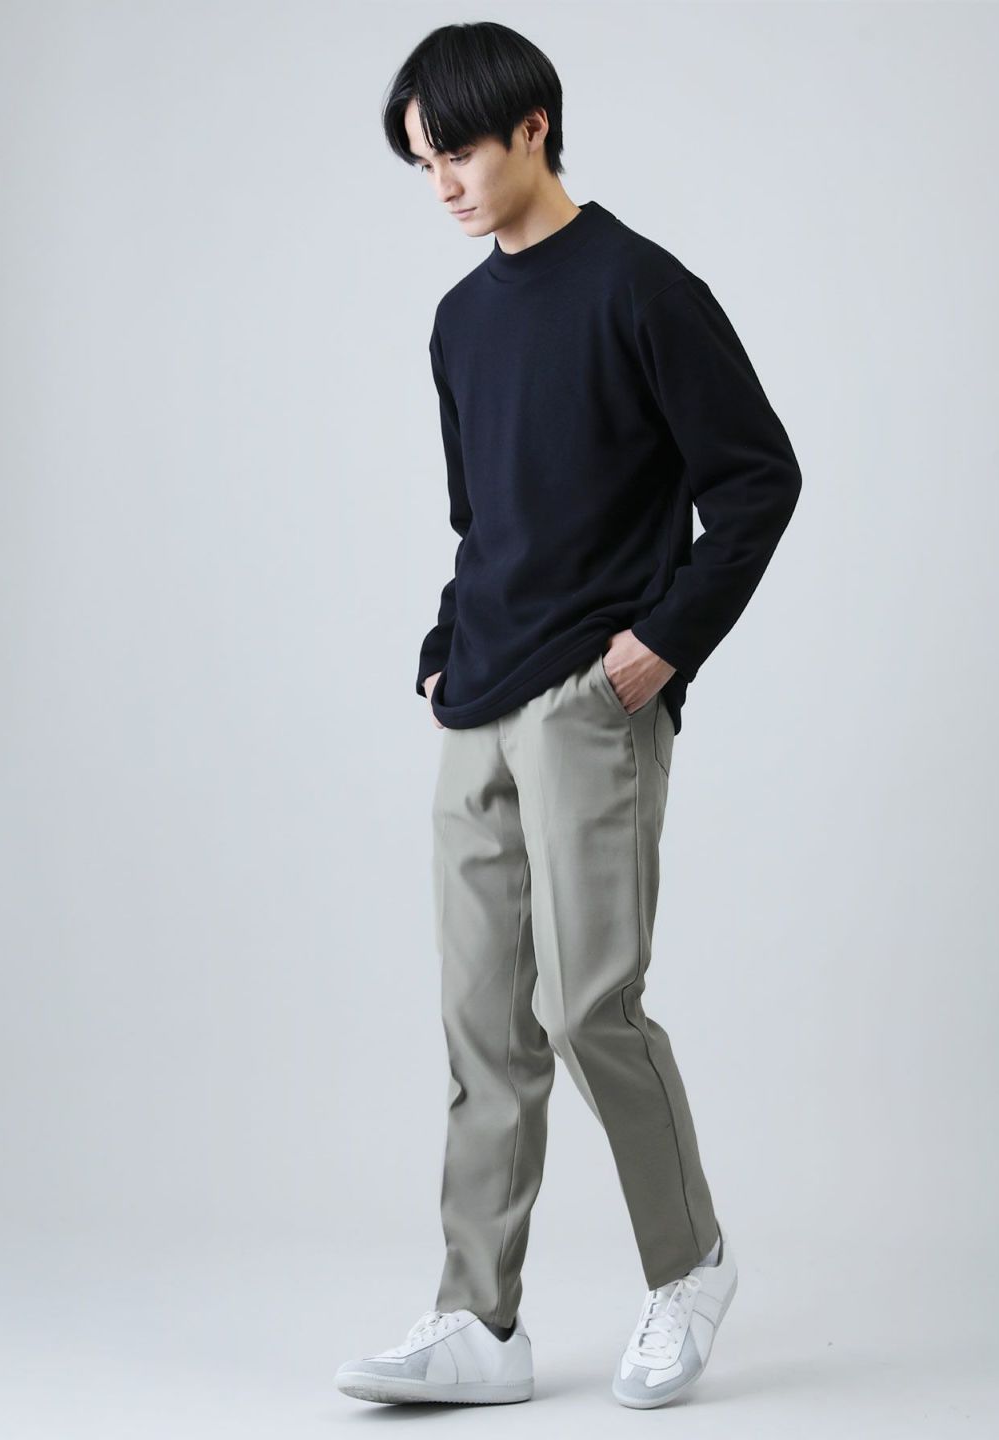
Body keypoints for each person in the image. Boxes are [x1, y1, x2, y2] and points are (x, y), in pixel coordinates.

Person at [335, 20, 802, 1411]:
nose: (443, 186)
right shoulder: (460, 321)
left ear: (534, 126)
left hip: (591, 702)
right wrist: (441, 649)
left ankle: (690, 1265)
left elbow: (759, 479)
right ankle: (478, 1322)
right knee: (482, 1024)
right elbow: (483, 518)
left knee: (588, 1003)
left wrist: (661, 647)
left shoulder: (643, 288)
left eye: (458, 153)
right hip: (476, 700)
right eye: (422, 164)